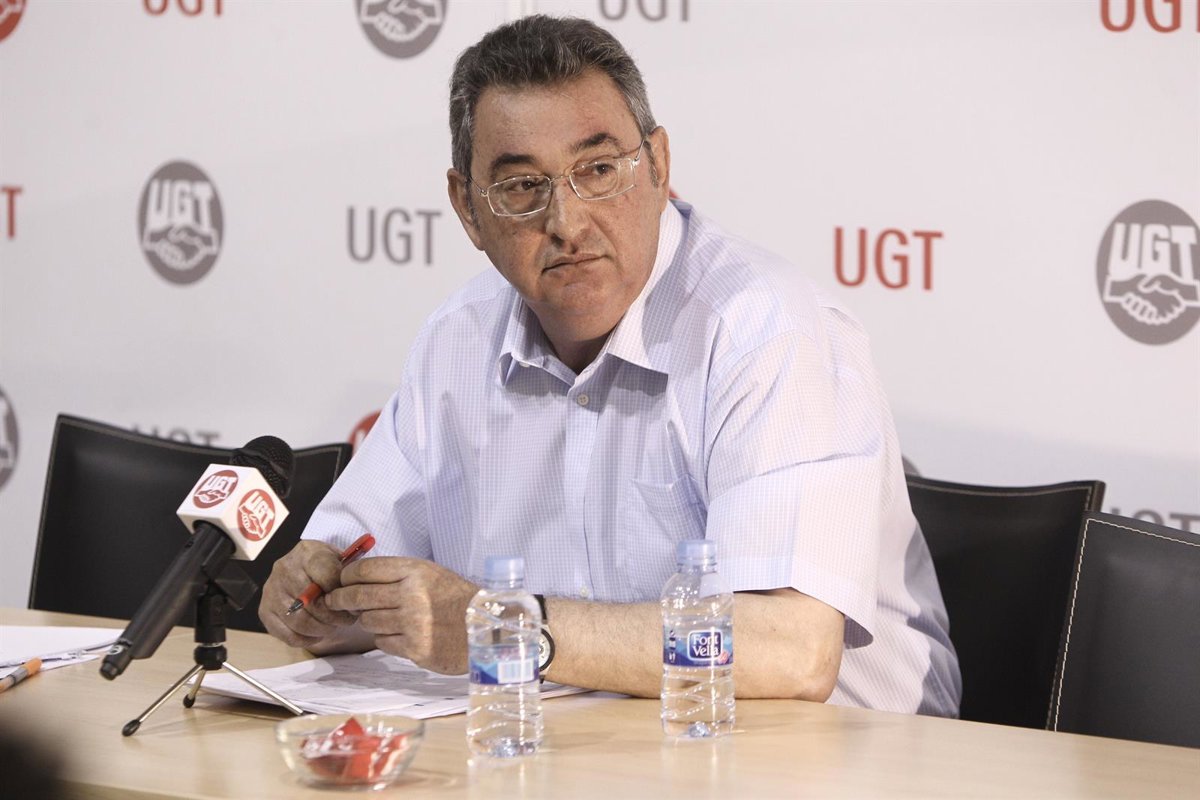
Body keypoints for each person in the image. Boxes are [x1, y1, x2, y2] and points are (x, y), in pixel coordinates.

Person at [261, 14, 960, 716]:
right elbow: (353, 575)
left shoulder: (765, 328)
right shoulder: (457, 341)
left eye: (598, 171)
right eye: (522, 187)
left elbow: (791, 650)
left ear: (658, 165)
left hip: (846, 754)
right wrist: (322, 604)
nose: (567, 222)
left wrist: (502, 628)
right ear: (468, 209)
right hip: (595, 745)